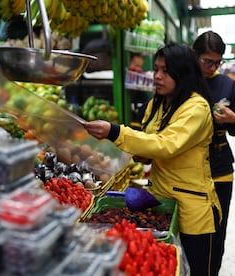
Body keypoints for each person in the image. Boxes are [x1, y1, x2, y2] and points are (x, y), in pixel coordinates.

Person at [84, 43, 221, 275]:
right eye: (156, 69)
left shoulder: (196, 108)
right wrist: (137, 151)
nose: (157, 76)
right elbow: (150, 152)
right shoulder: (158, 104)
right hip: (163, 206)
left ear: (183, 73)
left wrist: (116, 132)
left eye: (165, 71)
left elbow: (166, 145)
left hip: (193, 213)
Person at [193, 30, 235, 275]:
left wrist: (234, 119)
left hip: (220, 170)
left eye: (217, 62)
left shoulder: (227, 85)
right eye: (207, 62)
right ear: (195, 56)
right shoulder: (183, 82)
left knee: (217, 234)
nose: (213, 67)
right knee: (191, 235)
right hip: (187, 171)